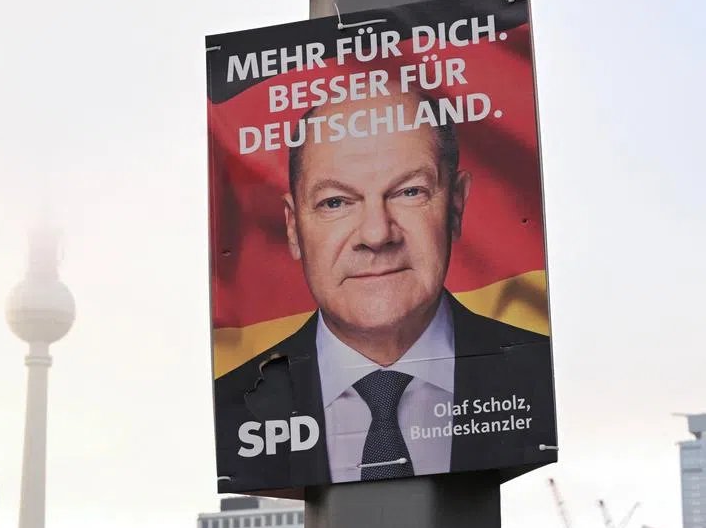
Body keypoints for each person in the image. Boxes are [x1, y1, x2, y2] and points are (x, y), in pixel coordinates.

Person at [214, 89, 557, 495]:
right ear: (293, 227)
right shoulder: (239, 404)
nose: (377, 234)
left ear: (457, 204)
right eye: (335, 202)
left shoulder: (532, 380)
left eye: (409, 192)